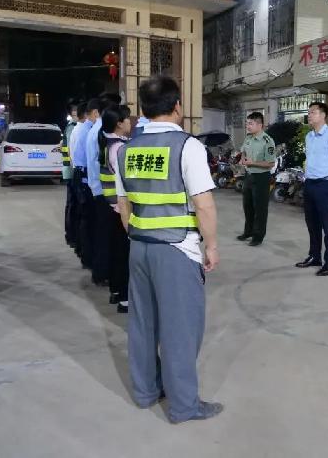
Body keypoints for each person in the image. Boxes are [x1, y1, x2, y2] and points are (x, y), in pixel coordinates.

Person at [117, 76, 222, 423]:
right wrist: (211, 245)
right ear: (177, 106)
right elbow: (203, 204)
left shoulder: (126, 150)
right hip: (177, 249)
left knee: (143, 324)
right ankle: (184, 406)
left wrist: (138, 236)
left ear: (143, 109)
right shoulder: (187, 146)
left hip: (139, 247)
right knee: (180, 329)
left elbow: (123, 205)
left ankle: (146, 391)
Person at [295, 102, 328, 277]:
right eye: (308, 112)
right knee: (312, 224)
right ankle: (314, 257)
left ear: (323, 115)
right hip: (310, 184)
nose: (309, 115)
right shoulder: (309, 136)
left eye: (313, 112)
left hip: (326, 184)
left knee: (327, 225)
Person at [99, 104, 132, 313]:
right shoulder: (119, 148)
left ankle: (117, 291)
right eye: (127, 119)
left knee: (117, 251)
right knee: (125, 254)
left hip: (112, 207)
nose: (130, 122)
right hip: (121, 209)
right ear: (119, 123)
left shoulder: (109, 143)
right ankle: (125, 299)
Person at [237, 112, 276, 247]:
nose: (248, 126)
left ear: (260, 125)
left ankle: (258, 236)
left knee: (260, 208)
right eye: (247, 123)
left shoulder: (267, 141)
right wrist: (243, 158)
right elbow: (243, 151)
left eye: (251, 123)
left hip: (261, 178)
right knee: (247, 206)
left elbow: (270, 163)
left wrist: (252, 162)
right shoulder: (248, 138)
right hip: (249, 176)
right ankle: (248, 232)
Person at [85, 97, 113, 285]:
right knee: (105, 235)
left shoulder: (94, 130)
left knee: (101, 232)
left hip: (97, 187)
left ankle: (100, 271)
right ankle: (102, 273)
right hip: (104, 190)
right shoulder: (102, 130)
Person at [71, 101, 95, 268]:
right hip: (83, 174)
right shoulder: (86, 131)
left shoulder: (78, 129)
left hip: (79, 173)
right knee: (86, 217)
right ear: (89, 114)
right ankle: (85, 255)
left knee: (81, 214)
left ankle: (81, 249)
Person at [62, 104, 78, 247]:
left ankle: (70, 234)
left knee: (71, 204)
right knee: (72, 205)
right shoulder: (72, 127)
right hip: (71, 172)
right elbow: (71, 152)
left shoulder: (71, 126)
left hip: (70, 171)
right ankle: (71, 235)